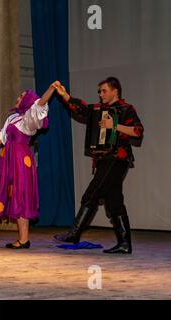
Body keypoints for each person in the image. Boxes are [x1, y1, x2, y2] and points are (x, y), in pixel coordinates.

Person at [53, 77, 144, 254]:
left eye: (104, 91)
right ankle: (124, 244)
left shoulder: (126, 109)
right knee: (114, 202)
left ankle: (74, 233)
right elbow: (80, 109)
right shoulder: (98, 110)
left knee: (91, 194)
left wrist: (114, 125)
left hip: (117, 159)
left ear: (114, 91)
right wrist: (64, 95)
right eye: (99, 91)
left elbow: (138, 132)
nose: (100, 94)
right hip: (104, 159)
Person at [0, 85, 55, 249]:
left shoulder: (29, 119)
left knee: (20, 194)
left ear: (28, 101)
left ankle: (24, 240)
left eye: (22, 96)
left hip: (20, 159)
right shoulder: (12, 118)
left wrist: (51, 89)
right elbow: (1, 136)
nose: (18, 98)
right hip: (7, 157)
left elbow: (40, 103)